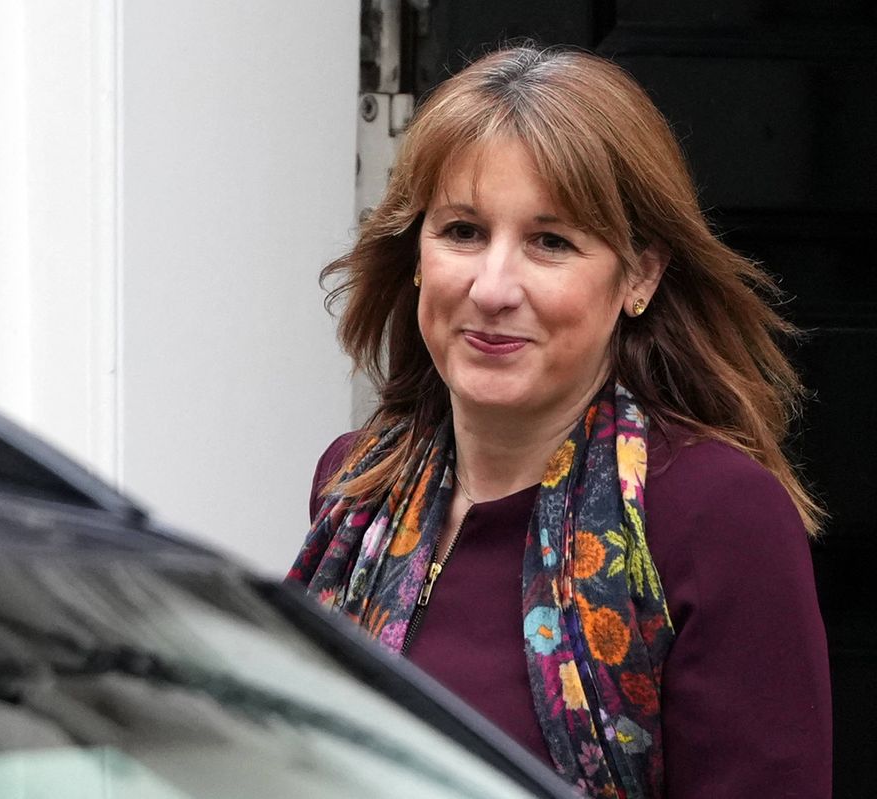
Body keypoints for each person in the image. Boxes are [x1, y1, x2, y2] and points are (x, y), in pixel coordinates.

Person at [289, 45, 831, 799]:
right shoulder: (355, 484)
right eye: (464, 231)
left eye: (551, 242)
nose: (493, 286)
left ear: (639, 275)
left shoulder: (715, 515)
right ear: (415, 250)